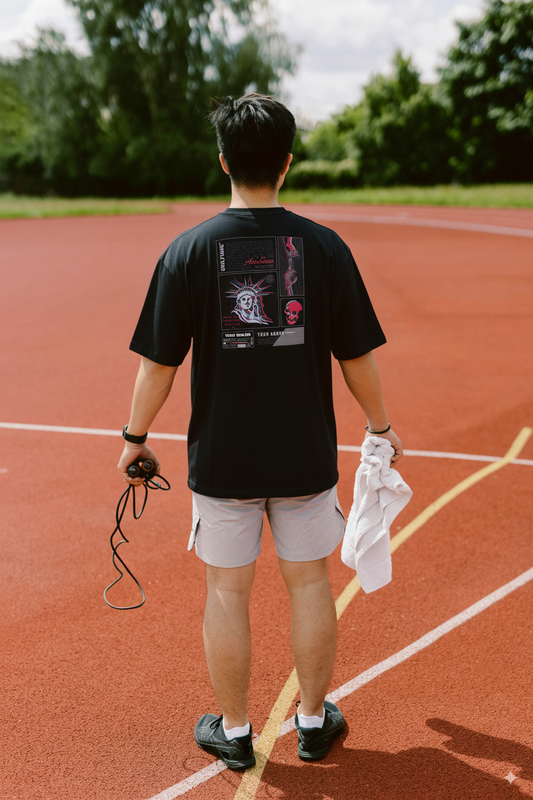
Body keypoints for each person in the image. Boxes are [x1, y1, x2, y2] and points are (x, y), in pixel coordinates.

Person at [117, 93, 402, 770]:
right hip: (302, 453)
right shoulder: (324, 248)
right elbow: (354, 354)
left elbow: (159, 363)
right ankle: (310, 722)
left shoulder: (187, 251)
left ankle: (237, 731)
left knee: (226, 591)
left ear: (222, 162)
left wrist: (134, 437)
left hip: (223, 457)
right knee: (309, 585)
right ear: (287, 163)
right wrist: (381, 426)